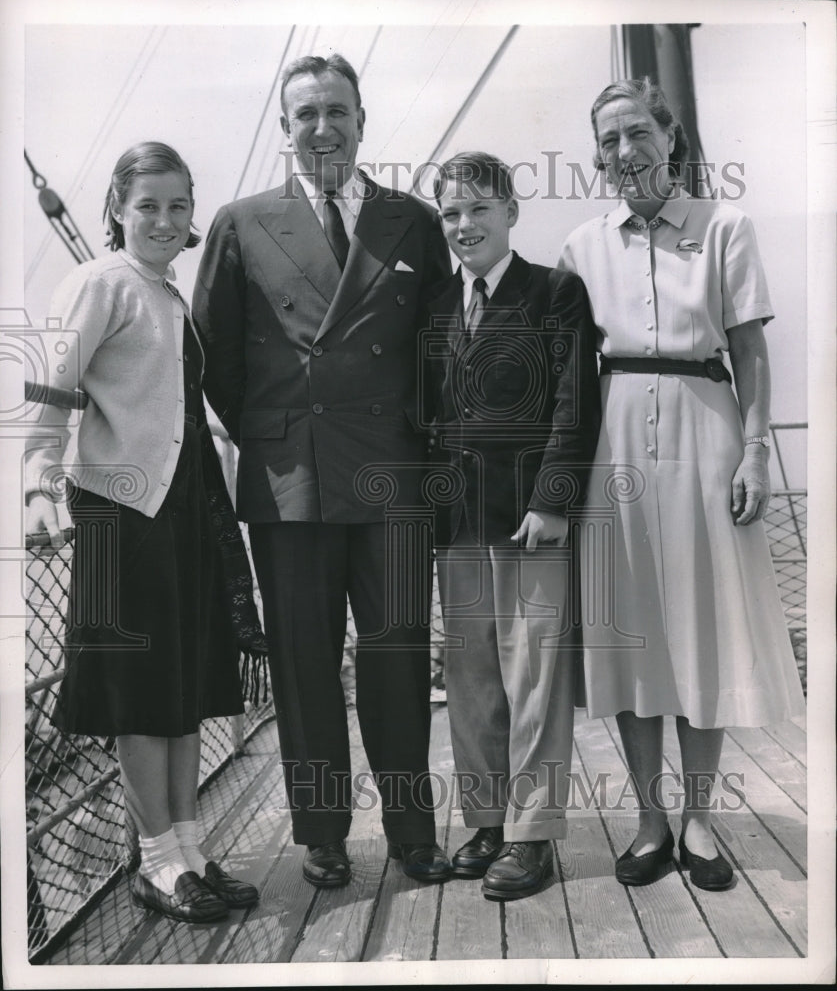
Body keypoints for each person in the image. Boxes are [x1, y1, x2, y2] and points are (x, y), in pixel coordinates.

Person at [192, 54, 453, 887]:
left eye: (336, 110)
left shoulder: (411, 220)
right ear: (283, 129)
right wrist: (277, 437)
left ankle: (413, 830)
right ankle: (323, 834)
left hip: (392, 477)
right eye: (305, 114)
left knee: (398, 655)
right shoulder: (239, 222)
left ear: (362, 119)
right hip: (288, 480)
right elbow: (215, 361)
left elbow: (436, 354)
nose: (323, 128)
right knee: (303, 664)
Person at [558, 79, 806, 891]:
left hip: (707, 426)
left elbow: (748, 351)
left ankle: (699, 819)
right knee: (629, 626)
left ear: (670, 139)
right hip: (615, 439)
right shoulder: (580, 247)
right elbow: (563, 374)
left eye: (637, 133)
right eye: (607, 141)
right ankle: (648, 819)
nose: (623, 153)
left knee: (704, 625)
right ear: (595, 155)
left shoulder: (724, 227)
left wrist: (756, 451)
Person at [25, 142, 260, 923]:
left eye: (178, 206)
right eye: (147, 205)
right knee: (136, 693)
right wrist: (35, 480)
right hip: (117, 517)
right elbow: (50, 393)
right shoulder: (101, 283)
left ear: (192, 217)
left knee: (184, 686)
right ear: (118, 212)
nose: (163, 220)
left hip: (182, 514)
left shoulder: (169, 296)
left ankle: (189, 846)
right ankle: (155, 859)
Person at [424, 153, 600, 900]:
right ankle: (487, 821)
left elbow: (572, 398)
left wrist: (554, 498)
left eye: (478, 210)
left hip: (529, 518)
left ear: (510, 213)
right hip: (456, 518)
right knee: (470, 680)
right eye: (451, 214)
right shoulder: (435, 307)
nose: (464, 226)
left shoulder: (554, 292)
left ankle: (532, 838)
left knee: (533, 678)